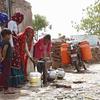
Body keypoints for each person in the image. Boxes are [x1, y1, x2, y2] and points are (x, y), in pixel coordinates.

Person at [8, 12, 24, 88]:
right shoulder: (11, 22)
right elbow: (9, 34)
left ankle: (17, 82)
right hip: (13, 44)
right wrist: (12, 45)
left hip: (15, 44)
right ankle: (13, 82)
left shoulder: (15, 24)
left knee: (16, 62)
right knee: (13, 62)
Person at [0, 28, 14, 94]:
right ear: (5, 35)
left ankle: (5, 88)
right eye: (9, 35)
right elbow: (4, 50)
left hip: (5, 60)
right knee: (6, 74)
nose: (10, 36)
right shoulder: (6, 42)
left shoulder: (2, 41)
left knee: (4, 73)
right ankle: (6, 89)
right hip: (7, 60)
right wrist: (3, 57)